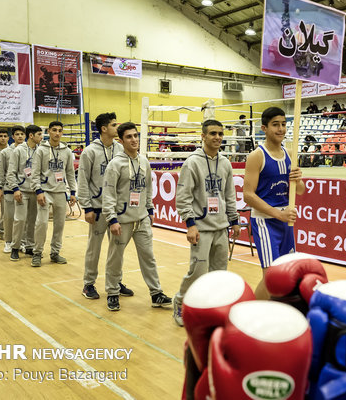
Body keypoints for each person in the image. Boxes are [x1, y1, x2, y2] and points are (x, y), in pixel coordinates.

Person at [172, 119, 241, 326]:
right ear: (203, 136)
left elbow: (230, 195)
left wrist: (234, 220)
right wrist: (190, 224)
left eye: (220, 133)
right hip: (201, 228)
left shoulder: (226, 163)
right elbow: (182, 198)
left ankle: (212, 308)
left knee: (219, 274)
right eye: (213, 133)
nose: (218, 137)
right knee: (198, 272)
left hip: (221, 227)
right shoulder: (192, 163)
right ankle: (180, 302)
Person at [102, 122, 172, 311]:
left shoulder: (144, 161)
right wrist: (112, 219)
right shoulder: (115, 165)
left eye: (135, 136)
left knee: (148, 257)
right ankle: (113, 293)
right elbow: (108, 194)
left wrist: (149, 211)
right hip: (121, 221)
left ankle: (156, 293)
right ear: (121, 140)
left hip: (141, 220)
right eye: (129, 137)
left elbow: (148, 189)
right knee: (115, 258)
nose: (134, 140)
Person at [243, 107, 305, 300]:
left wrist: (298, 179)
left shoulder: (290, 154)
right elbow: (247, 195)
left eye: (284, 124)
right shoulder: (257, 156)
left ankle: (265, 312)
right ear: (264, 128)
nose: (281, 129)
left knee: (285, 274)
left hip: (286, 221)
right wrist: (279, 215)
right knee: (272, 278)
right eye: (275, 125)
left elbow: (300, 191)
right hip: (265, 222)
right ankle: (251, 316)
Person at [78, 113, 129, 300]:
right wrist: (87, 207)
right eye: (114, 125)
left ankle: (115, 281)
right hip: (97, 208)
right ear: (103, 129)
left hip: (116, 209)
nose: (118, 127)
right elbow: (82, 180)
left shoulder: (120, 149)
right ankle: (88, 284)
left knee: (118, 247)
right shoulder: (89, 152)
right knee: (94, 248)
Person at [31, 121, 77, 267]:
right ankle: (37, 253)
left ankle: (55, 253)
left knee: (59, 224)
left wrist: (73, 192)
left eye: (60, 131)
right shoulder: (41, 150)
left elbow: (70, 172)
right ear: (49, 132)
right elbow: (35, 172)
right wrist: (38, 191)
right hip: (45, 191)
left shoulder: (67, 151)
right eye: (54, 130)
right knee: (42, 223)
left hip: (60, 192)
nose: (57, 133)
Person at [7, 125, 43, 261]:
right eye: (39, 134)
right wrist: (15, 189)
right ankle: (15, 247)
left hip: (36, 190)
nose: (42, 137)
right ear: (31, 136)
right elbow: (11, 173)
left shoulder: (41, 150)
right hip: (22, 191)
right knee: (20, 219)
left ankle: (29, 246)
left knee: (33, 221)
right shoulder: (18, 150)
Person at [0, 125, 26, 252]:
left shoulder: (29, 150)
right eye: (17, 134)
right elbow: (1, 171)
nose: (20, 136)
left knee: (23, 218)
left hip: (24, 189)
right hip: (8, 189)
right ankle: (8, 241)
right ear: (12, 137)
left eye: (22, 134)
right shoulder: (5, 152)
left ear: (25, 136)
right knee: (9, 216)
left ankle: (21, 241)